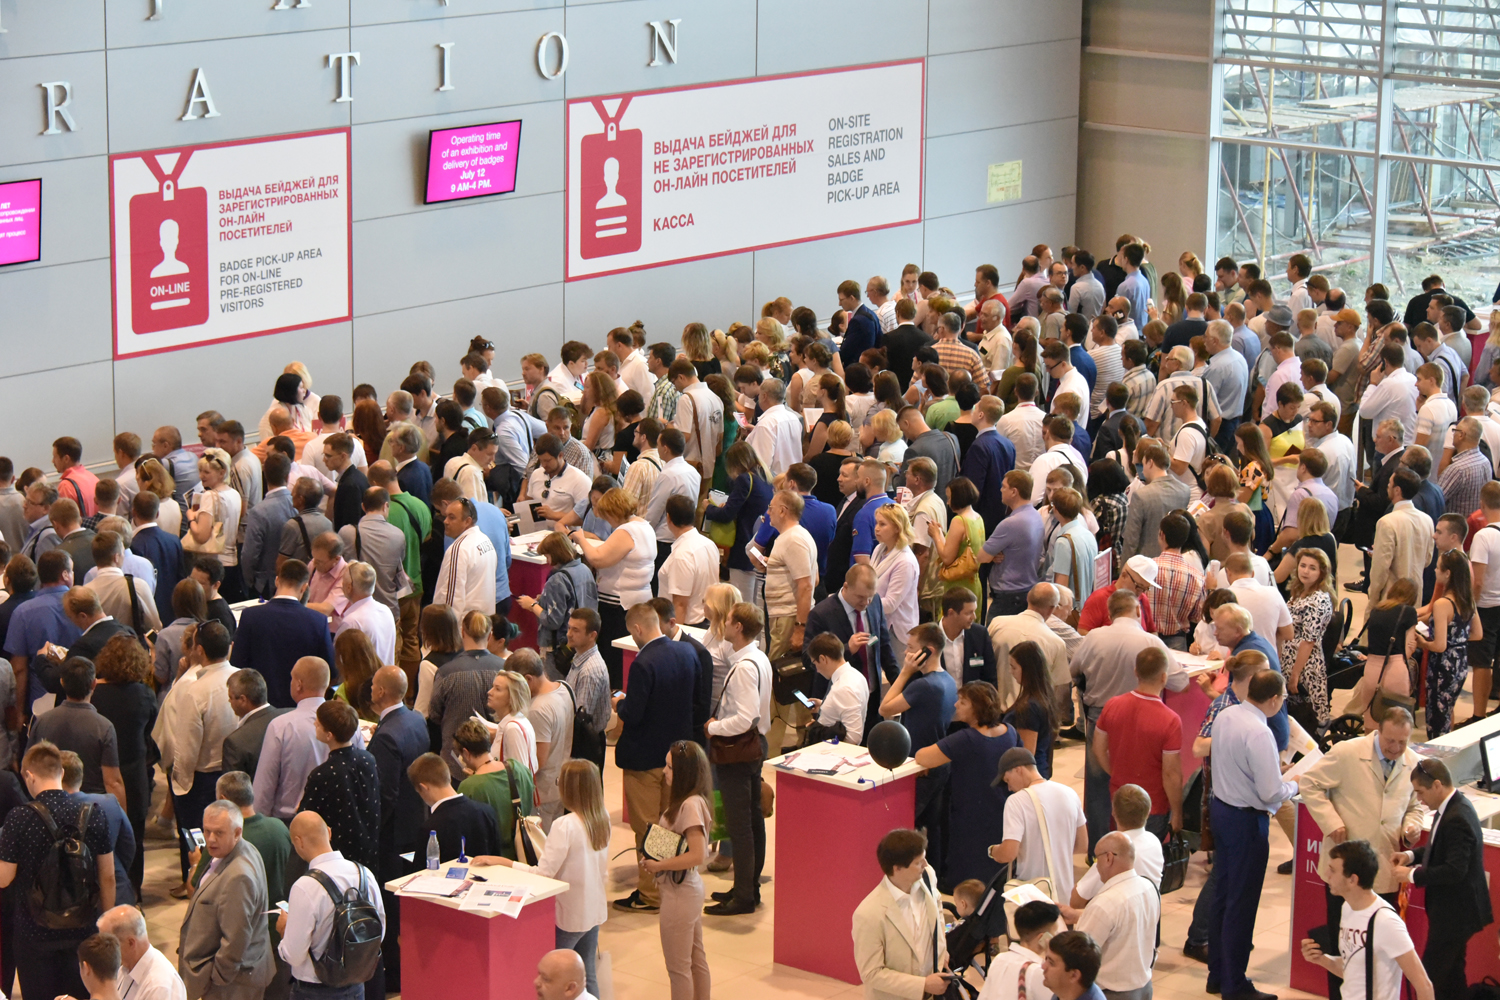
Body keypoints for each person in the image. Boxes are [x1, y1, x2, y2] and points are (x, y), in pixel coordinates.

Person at [1298, 706, 1423, 997]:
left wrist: (1412, 827)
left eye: (1402, 742)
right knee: (1341, 948)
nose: (1396, 748)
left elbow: (1415, 806)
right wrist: (1331, 822)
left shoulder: (1413, 762)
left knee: (1379, 952)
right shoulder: (1348, 753)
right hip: (1346, 872)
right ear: (1377, 731)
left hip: (1385, 871)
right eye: (1390, 741)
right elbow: (1309, 783)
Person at [474, 761, 610, 996]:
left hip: (569, 914)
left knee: (555, 978)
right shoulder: (601, 817)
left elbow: (543, 874)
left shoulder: (565, 825)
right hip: (593, 909)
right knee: (586, 976)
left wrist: (506, 862)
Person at [1206, 669, 1301, 1000]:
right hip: (1245, 821)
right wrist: (1295, 784)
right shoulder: (1260, 732)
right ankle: (1235, 984)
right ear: (1273, 699)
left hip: (1221, 809)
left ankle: (1217, 974)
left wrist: (1274, 772)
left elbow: (1239, 764)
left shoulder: (1227, 714)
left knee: (1223, 896)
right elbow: (1270, 792)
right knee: (1241, 904)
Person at [1071, 589, 1186, 851]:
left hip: (1100, 712)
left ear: (1109, 612)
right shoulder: (1150, 642)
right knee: (1140, 777)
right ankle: (1140, 847)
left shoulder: (1094, 637)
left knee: (1098, 786)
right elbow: (1179, 681)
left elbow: (1074, 670)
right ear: (1137, 611)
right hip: (1141, 714)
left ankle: (1099, 849)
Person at [0, 742, 115, 1000]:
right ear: (62, 773)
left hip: (33, 932)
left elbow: (4, 878)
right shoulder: (93, 813)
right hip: (82, 929)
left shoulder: (19, 818)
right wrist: (105, 927)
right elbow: (107, 877)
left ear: (29, 775)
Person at [612, 603, 700, 913]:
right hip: (677, 756)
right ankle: (668, 885)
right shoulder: (687, 652)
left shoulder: (643, 663)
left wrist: (619, 704)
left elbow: (634, 714)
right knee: (667, 824)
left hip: (645, 757)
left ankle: (650, 894)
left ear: (637, 628)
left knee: (647, 827)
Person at [1390, 756, 1494, 997]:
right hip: (1454, 912)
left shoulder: (1457, 817)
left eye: (1420, 792)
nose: (1419, 799)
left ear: (1437, 785)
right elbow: (1438, 848)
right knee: (1452, 976)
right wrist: (1410, 856)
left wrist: (1411, 875)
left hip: (1457, 914)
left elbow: (1454, 870)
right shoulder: (1448, 808)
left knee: (1430, 977)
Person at [1300, 839, 1435, 1000]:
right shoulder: (1348, 908)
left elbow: (1424, 985)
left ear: (1353, 880)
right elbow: (1354, 971)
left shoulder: (1386, 921)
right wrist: (1321, 959)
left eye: (1333, 870)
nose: (1327, 874)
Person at [703, 602, 772, 915]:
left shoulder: (744, 667)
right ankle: (748, 887)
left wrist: (713, 727)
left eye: (728, 620)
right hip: (754, 748)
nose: (724, 625)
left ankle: (744, 896)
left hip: (738, 752)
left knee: (740, 825)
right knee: (753, 821)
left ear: (739, 627)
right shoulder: (758, 657)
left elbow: (746, 717)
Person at [913, 680, 1015, 887]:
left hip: (971, 816)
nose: (956, 705)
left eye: (963, 702)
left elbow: (923, 756)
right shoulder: (1010, 732)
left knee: (969, 872)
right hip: (1002, 810)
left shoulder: (966, 739)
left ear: (977, 708)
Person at [277, 811, 385, 1000]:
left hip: (314, 990)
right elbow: (380, 930)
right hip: (356, 986)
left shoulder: (305, 886)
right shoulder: (364, 874)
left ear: (298, 842)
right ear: (329, 832)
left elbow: (294, 955)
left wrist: (284, 930)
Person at [177, 799, 276, 1000]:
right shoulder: (239, 849)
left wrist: (217, 978)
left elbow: (235, 941)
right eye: (207, 831)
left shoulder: (238, 877)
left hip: (233, 985)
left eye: (219, 833)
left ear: (237, 832)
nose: (211, 839)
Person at [254, 657, 365, 823]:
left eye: (292, 679)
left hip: (291, 822)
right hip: (338, 819)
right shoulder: (349, 722)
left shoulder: (281, 726)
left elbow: (264, 787)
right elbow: (359, 771)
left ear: (299, 684)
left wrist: (259, 823)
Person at [1093, 647, 1183, 840]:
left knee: (1121, 850)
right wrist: (1177, 812)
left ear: (1136, 672)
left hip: (1119, 799)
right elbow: (1171, 773)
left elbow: (1098, 749)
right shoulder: (1171, 720)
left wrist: (1115, 773)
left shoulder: (1112, 704)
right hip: (1153, 805)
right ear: (1164, 677)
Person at [851, 828, 950, 1000]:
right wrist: (923, 985)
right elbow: (871, 973)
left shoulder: (927, 876)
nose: (925, 865)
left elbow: (937, 908)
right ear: (897, 868)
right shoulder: (868, 913)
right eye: (918, 862)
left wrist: (942, 951)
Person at [571, 489, 655, 689]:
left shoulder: (626, 531)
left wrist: (581, 539)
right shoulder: (645, 526)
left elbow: (598, 558)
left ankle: (611, 692)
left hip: (618, 601)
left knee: (612, 654)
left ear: (614, 511)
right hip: (639, 597)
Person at [230, 560, 334, 709]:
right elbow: (329, 670)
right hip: (299, 706)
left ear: (277, 580)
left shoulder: (250, 616)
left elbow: (237, 664)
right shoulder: (318, 621)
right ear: (304, 588)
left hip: (259, 705)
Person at [990, 746, 1088, 902]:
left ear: (1019, 770)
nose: (1009, 787)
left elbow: (1008, 853)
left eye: (1007, 780)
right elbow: (1082, 845)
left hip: (1034, 894)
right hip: (1064, 893)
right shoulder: (1070, 793)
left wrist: (994, 851)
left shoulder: (1016, 801)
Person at [1072, 831, 1160, 1000]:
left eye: (1096, 859)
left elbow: (1079, 954)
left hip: (1112, 994)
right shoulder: (1148, 887)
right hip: (1144, 987)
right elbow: (1125, 925)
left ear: (1108, 858)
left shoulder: (1104, 903)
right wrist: (1079, 916)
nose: (1096, 866)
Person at [27, 656, 126, 804]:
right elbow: (113, 782)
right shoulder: (104, 727)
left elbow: (27, 768)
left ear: (62, 682)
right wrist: (119, 814)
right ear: (94, 684)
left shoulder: (43, 721)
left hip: (51, 805)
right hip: (91, 807)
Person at [409, 751, 500, 860]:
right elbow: (497, 860)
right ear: (448, 777)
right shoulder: (487, 812)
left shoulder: (430, 828)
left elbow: (422, 869)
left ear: (424, 788)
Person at [981, 471, 1045, 619]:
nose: (1000, 490)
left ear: (1014, 492)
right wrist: (994, 554)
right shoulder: (1036, 515)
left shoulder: (1011, 523)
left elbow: (982, 556)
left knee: (995, 633)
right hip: (1025, 589)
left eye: (1004, 486)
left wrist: (991, 555)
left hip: (1008, 595)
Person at [1370, 469, 1435, 605]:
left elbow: (1380, 569)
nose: (1387, 486)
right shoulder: (1427, 520)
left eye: (1390, 483)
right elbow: (1427, 559)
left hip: (1392, 596)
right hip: (1415, 594)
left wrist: (1373, 597)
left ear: (1397, 490)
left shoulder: (1387, 522)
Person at [98, 904, 188, 1000]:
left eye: (108, 944)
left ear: (131, 943)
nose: (103, 951)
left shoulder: (159, 987)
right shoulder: (126, 965)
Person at [1118, 444, 1190, 562]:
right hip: (1174, 561)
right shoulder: (1185, 491)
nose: (1142, 470)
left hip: (1145, 563)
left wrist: (1125, 570)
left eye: (1143, 464)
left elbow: (1131, 540)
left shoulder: (1141, 495)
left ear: (1150, 463)